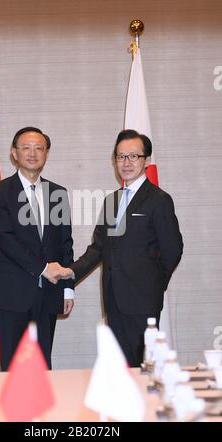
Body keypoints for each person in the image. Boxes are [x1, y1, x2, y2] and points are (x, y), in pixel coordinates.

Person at [65, 129, 183, 367]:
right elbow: (98, 248)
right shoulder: (112, 200)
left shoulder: (158, 199)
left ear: (147, 161)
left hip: (143, 301)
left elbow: (173, 249)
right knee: (121, 368)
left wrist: (154, 285)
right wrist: (70, 273)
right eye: (121, 157)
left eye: (133, 156)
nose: (126, 162)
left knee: (144, 368)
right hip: (113, 299)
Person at [0, 127, 74, 370]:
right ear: (14, 153)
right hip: (12, 294)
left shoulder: (58, 193)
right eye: (26, 147)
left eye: (39, 148)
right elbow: (6, 240)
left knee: (42, 365)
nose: (33, 153)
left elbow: (66, 244)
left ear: (46, 153)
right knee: (13, 368)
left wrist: (68, 289)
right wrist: (43, 268)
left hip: (49, 294)